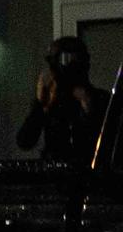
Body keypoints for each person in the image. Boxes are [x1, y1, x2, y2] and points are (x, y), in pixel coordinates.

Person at [16, 35, 109, 164]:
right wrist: (41, 105)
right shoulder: (52, 101)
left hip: (90, 178)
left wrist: (90, 110)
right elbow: (24, 141)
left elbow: (110, 145)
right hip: (55, 178)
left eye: (70, 59)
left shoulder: (100, 99)